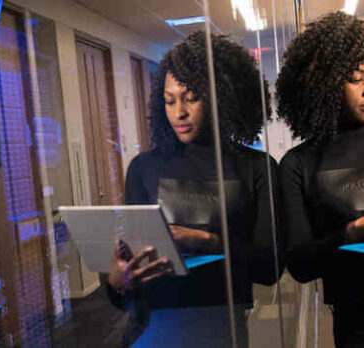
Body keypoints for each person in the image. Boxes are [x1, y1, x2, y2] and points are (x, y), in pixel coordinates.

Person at [107, 31, 281, 347]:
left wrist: (207, 240)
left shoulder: (256, 167)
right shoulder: (144, 167)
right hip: (153, 327)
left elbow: (269, 269)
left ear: (220, 97)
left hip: (221, 326)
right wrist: (119, 282)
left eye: (191, 98)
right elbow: (131, 278)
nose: (179, 112)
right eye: (170, 100)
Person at [276, 11, 364, 347]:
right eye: (355, 78)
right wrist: (351, 232)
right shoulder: (300, 163)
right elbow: (300, 264)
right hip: (354, 319)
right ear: (327, 83)